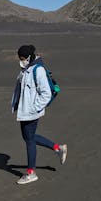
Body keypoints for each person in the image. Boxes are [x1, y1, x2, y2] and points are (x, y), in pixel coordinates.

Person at [11, 44, 67, 185]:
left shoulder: (39, 70)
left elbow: (46, 93)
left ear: (29, 57)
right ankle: (58, 148)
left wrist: (33, 109)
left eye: (23, 58)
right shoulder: (26, 69)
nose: (21, 60)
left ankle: (31, 173)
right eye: (20, 58)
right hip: (25, 111)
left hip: (31, 112)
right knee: (29, 137)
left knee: (29, 140)